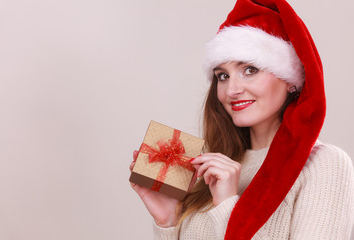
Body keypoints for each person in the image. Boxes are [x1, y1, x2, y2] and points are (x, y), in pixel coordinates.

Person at [129, 0, 354, 239]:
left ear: (290, 80)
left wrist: (227, 205)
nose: (231, 90)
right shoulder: (212, 167)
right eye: (223, 75)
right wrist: (169, 222)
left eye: (250, 70)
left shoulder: (325, 164)